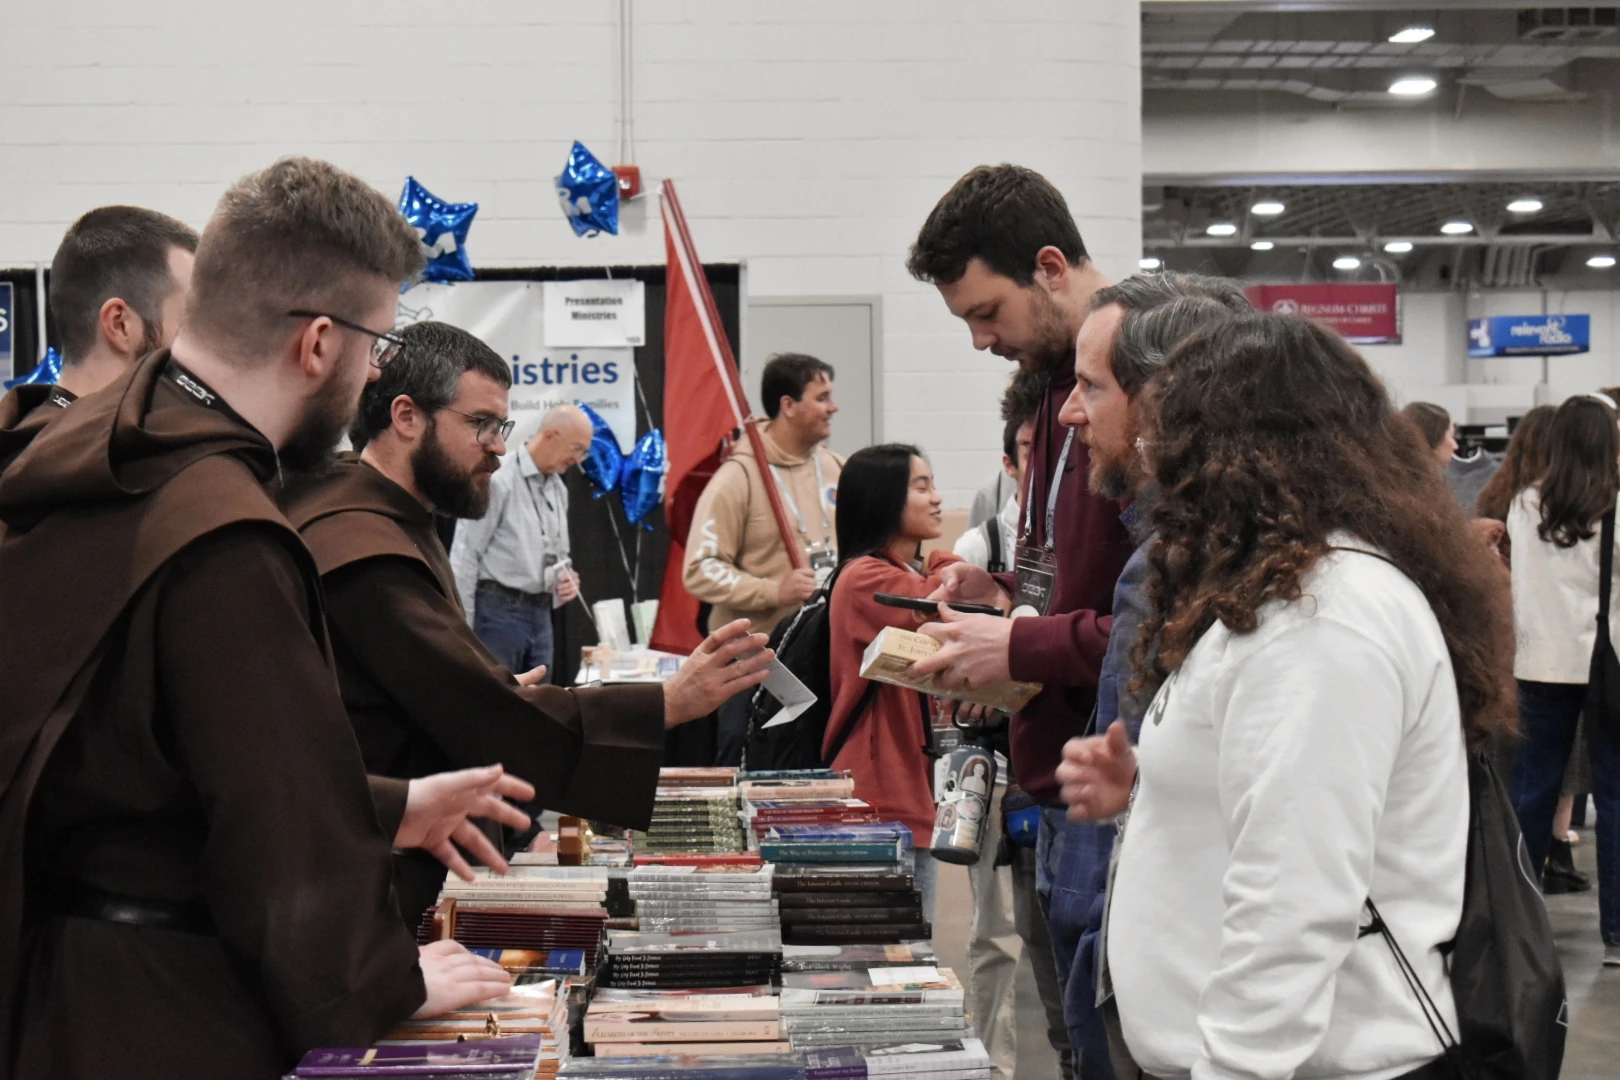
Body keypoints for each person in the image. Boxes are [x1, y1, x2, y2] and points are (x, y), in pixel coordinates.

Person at [0, 159, 536, 1079]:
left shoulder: (81, 449)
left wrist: (394, 804)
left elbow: (140, 755)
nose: (373, 371)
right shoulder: (224, 529)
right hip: (162, 1013)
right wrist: (385, 982)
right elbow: (267, 821)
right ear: (319, 343)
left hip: (51, 984)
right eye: (377, 341)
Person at [1057, 312, 1514, 1079]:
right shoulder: (1283, 592)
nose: (1151, 459)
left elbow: (1294, 903)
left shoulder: (1324, 619)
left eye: (1170, 439)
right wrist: (1158, 788)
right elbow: (1280, 799)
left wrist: (1233, 1067)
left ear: (1234, 454)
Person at [281, 320, 776, 925]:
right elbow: (481, 716)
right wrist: (667, 702)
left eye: (502, 426)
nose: (497, 445)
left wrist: (485, 690)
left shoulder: (380, 514)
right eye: (481, 424)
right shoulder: (366, 545)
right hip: (350, 885)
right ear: (406, 417)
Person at [906, 163, 1135, 1079]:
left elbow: (1167, 622)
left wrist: (1023, 639)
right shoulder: (1048, 388)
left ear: (1049, 266)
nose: (977, 341)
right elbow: (1069, 577)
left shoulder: (1144, 379)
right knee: (1074, 1042)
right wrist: (994, 590)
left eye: (986, 313)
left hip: (1117, 783)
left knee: (1113, 1044)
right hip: (1051, 781)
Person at [1047, 271, 1251, 1077]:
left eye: (1091, 387)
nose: (1070, 411)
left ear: (1166, 400)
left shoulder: (1184, 565)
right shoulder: (1193, 550)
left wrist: (1092, 960)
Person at [683, 352, 843, 766]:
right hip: (754, 659)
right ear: (788, 406)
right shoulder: (738, 478)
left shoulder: (835, 467)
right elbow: (700, 569)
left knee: (809, 762)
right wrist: (773, 590)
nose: (834, 407)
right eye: (822, 397)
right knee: (747, 761)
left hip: (816, 652)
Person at [1506, 394, 1620, 960]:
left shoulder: (1526, 504)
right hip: (1608, 669)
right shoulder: (1614, 505)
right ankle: (1618, 931)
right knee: (1617, 796)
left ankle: (1515, 920)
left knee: (1530, 792)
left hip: (1538, 663)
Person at [820, 444, 954, 922]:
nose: (937, 498)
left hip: (909, 796)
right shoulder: (864, 577)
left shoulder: (900, 574)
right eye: (921, 487)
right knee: (885, 962)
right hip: (875, 801)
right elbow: (941, 601)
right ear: (882, 499)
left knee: (911, 958)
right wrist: (942, 560)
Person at [0, 205, 197, 473]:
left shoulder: (22, 450)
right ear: (120, 324)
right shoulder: (115, 478)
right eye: (189, 322)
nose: (202, 348)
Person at [447, 403, 592, 679]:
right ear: (550, 435)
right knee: (500, 705)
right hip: (498, 612)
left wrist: (566, 578)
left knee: (544, 705)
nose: (579, 459)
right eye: (577, 449)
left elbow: (559, 552)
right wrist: (462, 626)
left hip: (542, 613)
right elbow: (465, 555)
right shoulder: (499, 479)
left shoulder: (558, 488)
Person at [954, 412, 1033, 575]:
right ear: (1010, 465)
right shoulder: (975, 548)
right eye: (1031, 456)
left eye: (1051, 455)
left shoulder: (1077, 538)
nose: (1045, 466)